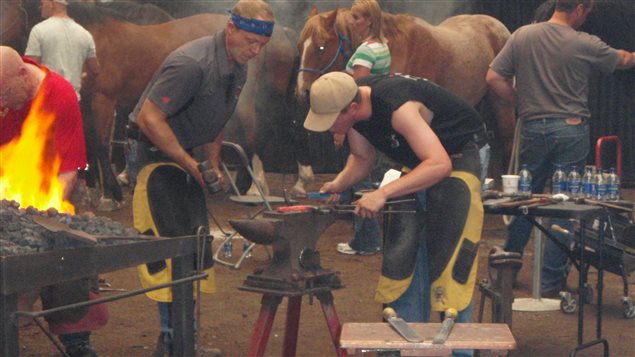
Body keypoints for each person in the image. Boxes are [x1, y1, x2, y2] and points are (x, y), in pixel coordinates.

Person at [127, 1, 274, 355]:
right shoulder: (192, 64)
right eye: (250, 41)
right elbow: (149, 119)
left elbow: (217, 117)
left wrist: (211, 161)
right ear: (231, 29)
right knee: (170, 252)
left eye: (261, 46)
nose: (255, 52)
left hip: (186, 156)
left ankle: (181, 339)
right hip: (154, 158)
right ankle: (178, 342)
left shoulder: (238, 66)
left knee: (194, 249)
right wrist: (189, 162)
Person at [305, 72, 486, 335]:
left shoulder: (398, 107)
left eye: (332, 120)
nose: (330, 128)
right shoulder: (355, 111)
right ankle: (407, 343)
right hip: (423, 159)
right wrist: (339, 183)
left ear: (352, 108)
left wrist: (383, 193)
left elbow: (440, 164)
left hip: (460, 151)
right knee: (404, 253)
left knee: (451, 254)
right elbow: (362, 158)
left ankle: (460, 349)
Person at [486, 0, 635, 297]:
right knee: (563, 204)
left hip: (531, 126)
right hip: (570, 128)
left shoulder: (522, 36)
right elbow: (623, 60)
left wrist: (519, 99)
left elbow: (493, 78)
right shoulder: (585, 43)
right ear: (579, 9)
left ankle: (509, 266)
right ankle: (551, 281)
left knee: (523, 201)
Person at [0, 46, 106, 357]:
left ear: (22, 75)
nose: (1, 103)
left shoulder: (59, 94)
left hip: (50, 190)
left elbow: (69, 169)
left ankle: (77, 341)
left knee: (64, 254)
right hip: (6, 193)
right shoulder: (3, 90)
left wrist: (46, 209)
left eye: (4, 94)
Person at [335, 0, 391, 256]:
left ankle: (366, 240)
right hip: (377, 119)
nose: (352, 22)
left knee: (363, 180)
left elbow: (353, 94)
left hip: (362, 123)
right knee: (370, 177)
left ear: (369, 20)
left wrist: (341, 128)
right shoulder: (382, 46)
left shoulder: (365, 52)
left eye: (357, 17)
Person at [24, 0, 99, 101]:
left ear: (52, 4)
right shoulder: (85, 34)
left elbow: (31, 67)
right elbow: (94, 70)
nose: (40, 7)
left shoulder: (38, 30)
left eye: (42, 3)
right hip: (72, 100)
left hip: (46, 99)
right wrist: (81, 78)